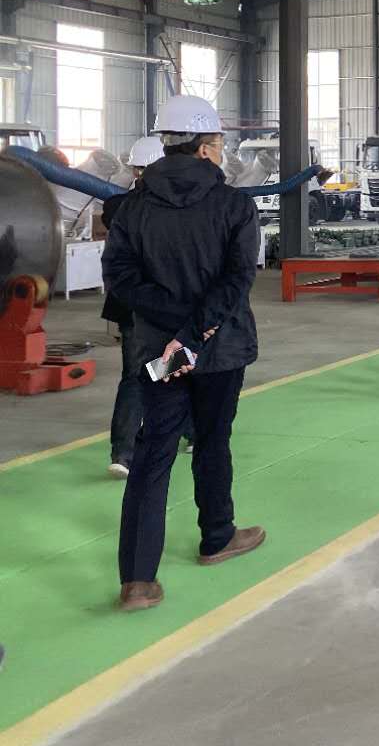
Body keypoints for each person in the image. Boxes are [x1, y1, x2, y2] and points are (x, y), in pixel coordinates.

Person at [102, 95, 267, 613]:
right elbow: (238, 279)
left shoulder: (133, 207)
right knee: (213, 440)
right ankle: (217, 536)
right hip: (218, 349)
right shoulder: (234, 205)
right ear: (206, 146)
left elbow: (119, 277)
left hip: (162, 353)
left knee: (154, 451)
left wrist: (173, 327)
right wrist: (195, 332)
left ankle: (137, 580)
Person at [99, 136, 193, 478]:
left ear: (135, 169)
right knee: (178, 367)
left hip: (131, 307)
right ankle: (192, 431)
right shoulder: (178, 207)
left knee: (136, 376)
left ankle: (123, 454)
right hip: (169, 304)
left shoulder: (117, 206)